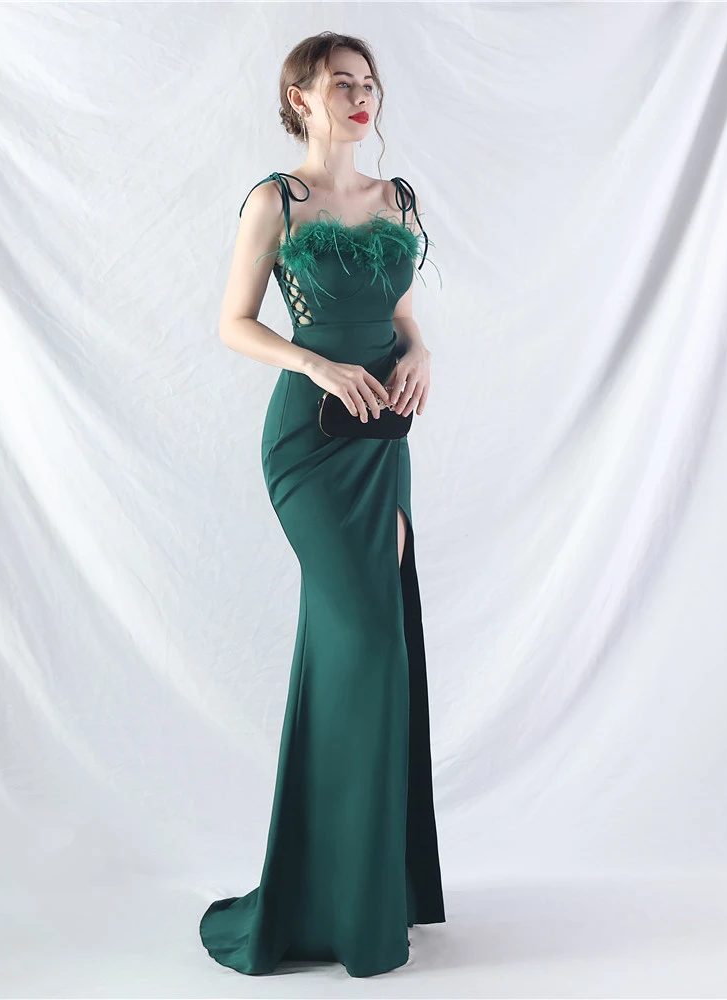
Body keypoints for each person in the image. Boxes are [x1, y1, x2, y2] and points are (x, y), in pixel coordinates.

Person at [199, 31, 445, 979]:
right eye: (341, 83)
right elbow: (233, 323)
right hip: (309, 445)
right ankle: (339, 896)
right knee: (366, 643)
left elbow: (402, 316)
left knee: (372, 649)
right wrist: (313, 362)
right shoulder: (278, 200)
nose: (360, 96)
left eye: (368, 83)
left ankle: (355, 887)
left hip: (384, 444)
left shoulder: (395, 200)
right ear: (299, 97)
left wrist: (419, 352)